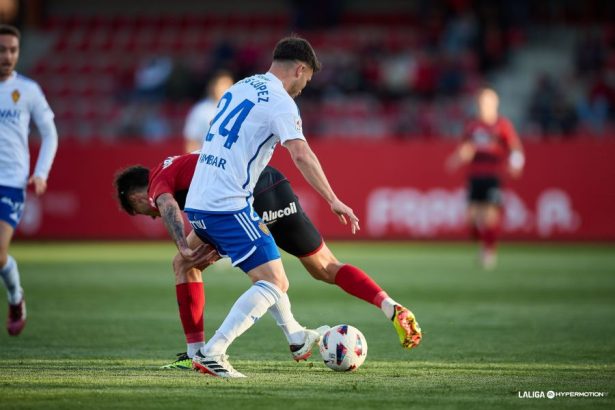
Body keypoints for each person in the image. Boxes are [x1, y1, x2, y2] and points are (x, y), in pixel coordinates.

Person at [181, 35, 420, 378]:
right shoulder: (281, 101)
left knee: (186, 263)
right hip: (234, 200)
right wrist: (333, 199)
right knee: (280, 278)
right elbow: (301, 153)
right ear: (300, 69)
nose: (305, 86)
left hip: (205, 197)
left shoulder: (238, 87)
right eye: (307, 79)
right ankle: (212, 352)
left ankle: (284, 337)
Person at [114, 153, 422, 369]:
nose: (151, 216)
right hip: (273, 184)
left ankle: (201, 352)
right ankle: (389, 307)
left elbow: (166, 205)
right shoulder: (177, 163)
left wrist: (182, 244)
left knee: (189, 264)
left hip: (239, 200)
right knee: (326, 267)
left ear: (137, 198)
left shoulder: (157, 182)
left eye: (144, 212)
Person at [0, 24, 59, 335]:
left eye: (12, 50)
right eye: (2, 50)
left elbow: (49, 133)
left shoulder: (28, 90)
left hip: (10, 181)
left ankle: (15, 296)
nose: (7, 56)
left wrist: (41, 172)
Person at [447, 87, 524, 269]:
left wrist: (516, 163)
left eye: (487, 102)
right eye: (481, 103)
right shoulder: (472, 125)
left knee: (490, 216)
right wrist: (458, 157)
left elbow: (514, 147)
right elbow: (467, 147)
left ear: (495, 104)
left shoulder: (502, 125)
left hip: (493, 175)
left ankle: (489, 251)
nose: (483, 106)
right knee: (471, 219)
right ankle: (484, 244)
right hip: (475, 176)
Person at [183, 70, 234, 153]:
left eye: (229, 85)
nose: (226, 89)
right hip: (207, 159)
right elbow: (192, 141)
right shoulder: (201, 110)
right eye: (222, 85)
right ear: (213, 86)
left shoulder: (236, 109)